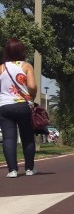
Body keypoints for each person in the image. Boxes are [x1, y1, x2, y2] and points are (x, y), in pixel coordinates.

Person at [0, 39, 37, 177]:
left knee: (9, 138)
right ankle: (29, 168)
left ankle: (12, 170)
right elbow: (32, 86)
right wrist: (31, 97)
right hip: (22, 105)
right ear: (22, 51)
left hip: (4, 106)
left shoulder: (1, 68)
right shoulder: (26, 66)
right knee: (27, 136)